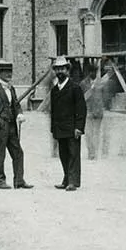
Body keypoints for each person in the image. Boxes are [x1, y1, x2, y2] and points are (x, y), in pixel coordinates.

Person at [0, 61, 32, 190]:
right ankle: (0, 181)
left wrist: (19, 113)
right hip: (0, 126)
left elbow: (16, 104)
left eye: (10, 72)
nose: (9, 74)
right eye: (5, 72)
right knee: (1, 153)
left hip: (12, 125)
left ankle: (19, 180)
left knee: (18, 152)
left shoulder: (11, 88)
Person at [49, 54, 86, 189]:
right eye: (57, 69)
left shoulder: (75, 88)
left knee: (73, 155)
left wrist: (79, 127)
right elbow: (53, 111)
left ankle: (73, 182)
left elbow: (81, 109)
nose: (60, 72)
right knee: (63, 155)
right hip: (60, 128)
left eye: (62, 69)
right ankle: (66, 179)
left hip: (72, 129)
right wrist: (53, 128)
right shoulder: (54, 90)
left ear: (67, 70)